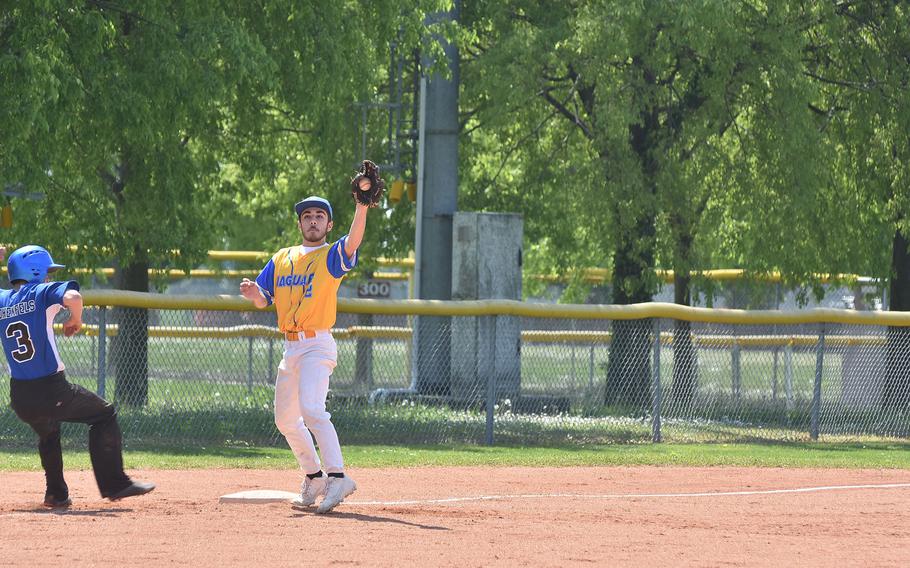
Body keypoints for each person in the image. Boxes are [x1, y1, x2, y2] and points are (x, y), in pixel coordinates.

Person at [240, 178, 373, 514]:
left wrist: (362, 204)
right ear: (299, 223)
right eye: (307, 216)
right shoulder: (282, 258)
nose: (313, 220)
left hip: (317, 344)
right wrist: (254, 294)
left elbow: (353, 242)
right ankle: (314, 477)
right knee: (286, 420)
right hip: (291, 348)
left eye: (319, 216)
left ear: (329, 224)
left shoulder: (330, 256)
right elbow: (262, 299)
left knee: (312, 410)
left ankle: (338, 477)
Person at [1, 245, 155, 508]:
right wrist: (76, 318)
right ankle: (116, 484)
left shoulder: (3, 300)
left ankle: (56, 494)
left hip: (20, 397)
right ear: (34, 272)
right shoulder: (39, 292)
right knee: (104, 414)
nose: (49, 277)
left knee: (49, 432)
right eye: (47, 271)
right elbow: (73, 296)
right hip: (50, 390)